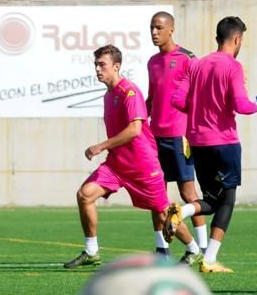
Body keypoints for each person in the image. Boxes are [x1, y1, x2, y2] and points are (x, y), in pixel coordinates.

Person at [64, 44, 197, 269]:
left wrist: (101, 146)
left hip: (142, 166)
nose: (97, 69)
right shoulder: (108, 95)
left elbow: (135, 130)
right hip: (117, 165)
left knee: (164, 215)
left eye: (102, 65)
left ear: (116, 67)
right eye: (96, 64)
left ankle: (193, 249)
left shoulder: (130, 92)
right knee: (85, 195)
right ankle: (91, 251)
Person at [165, 16, 257, 273]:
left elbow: (178, 101)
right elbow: (241, 106)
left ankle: (185, 213)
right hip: (224, 142)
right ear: (237, 39)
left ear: (217, 38)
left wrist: (202, 108)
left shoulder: (196, 65)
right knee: (227, 200)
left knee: (214, 199)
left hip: (198, 143)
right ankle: (209, 257)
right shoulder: (232, 67)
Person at [147, 11, 207, 264]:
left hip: (179, 136)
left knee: (187, 192)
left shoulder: (188, 59)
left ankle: (203, 247)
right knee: (155, 192)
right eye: (152, 27)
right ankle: (162, 249)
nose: (154, 32)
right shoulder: (152, 61)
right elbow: (151, 98)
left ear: (172, 29)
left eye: (159, 27)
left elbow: (200, 98)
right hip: (154, 136)